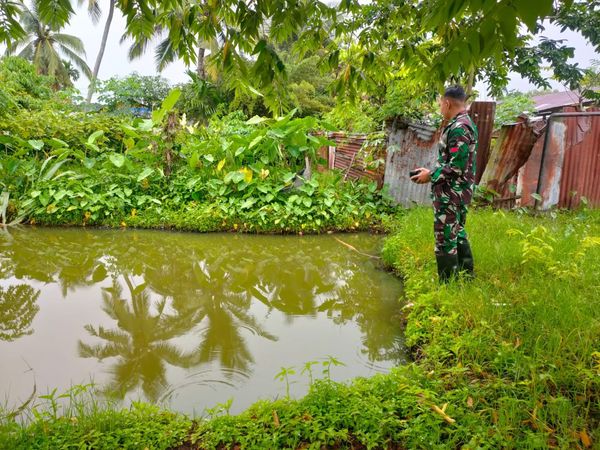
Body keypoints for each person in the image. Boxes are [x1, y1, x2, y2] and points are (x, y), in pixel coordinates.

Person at [410, 85, 478, 282]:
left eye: (440, 104)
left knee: (445, 239)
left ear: (447, 103)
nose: (440, 108)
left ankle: (448, 285)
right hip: (458, 192)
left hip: (452, 194)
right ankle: (466, 276)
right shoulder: (465, 124)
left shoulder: (459, 128)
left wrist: (430, 176)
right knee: (457, 232)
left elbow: (456, 167)